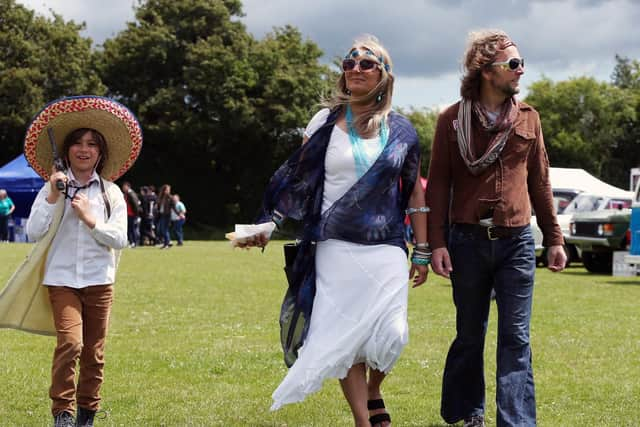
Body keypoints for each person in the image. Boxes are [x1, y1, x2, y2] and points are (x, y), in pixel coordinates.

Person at [248, 34, 429, 427]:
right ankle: (363, 420)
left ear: (383, 74)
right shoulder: (323, 123)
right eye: (349, 63)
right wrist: (269, 222)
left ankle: (375, 387)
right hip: (334, 245)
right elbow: (298, 179)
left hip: (386, 247)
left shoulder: (402, 131)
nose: (355, 69)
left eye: (366, 63)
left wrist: (424, 248)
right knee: (348, 336)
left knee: (392, 335)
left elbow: (414, 188)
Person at [425, 30, 566, 427]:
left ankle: (516, 422)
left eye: (521, 63)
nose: (521, 71)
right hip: (466, 241)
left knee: (516, 338)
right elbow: (438, 184)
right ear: (487, 71)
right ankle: (469, 413)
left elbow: (540, 181)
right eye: (514, 64)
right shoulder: (451, 121)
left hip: (517, 243)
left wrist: (554, 238)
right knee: (470, 335)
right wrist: (437, 243)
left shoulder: (529, 118)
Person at [23, 96, 142, 427]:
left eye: (92, 144)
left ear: (101, 153)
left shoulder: (111, 194)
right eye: (77, 143)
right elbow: (32, 232)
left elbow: (121, 239)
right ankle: (63, 411)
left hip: (99, 281)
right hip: (61, 279)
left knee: (94, 353)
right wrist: (51, 195)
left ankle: (86, 414)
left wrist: (92, 220)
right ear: (67, 151)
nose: (84, 149)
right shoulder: (52, 187)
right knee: (71, 343)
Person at [121, 181, 142, 247]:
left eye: (124, 187)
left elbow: (135, 205)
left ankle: (134, 242)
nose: (123, 188)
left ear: (127, 186)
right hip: (129, 214)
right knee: (130, 229)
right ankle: (132, 242)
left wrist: (136, 215)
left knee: (132, 229)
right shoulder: (128, 193)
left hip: (131, 214)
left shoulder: (131, 194)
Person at [156, 184, 174, 249]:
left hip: (167, 215)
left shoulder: (170, 197)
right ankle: (168, 242)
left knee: (164, 230)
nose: (168, 191)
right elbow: (158, 206)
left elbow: (174, 207)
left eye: (169, 190)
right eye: (167, 190)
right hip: (162, 215)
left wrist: (179, 214)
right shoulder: (161, 197)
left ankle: (167, 243)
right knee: (161, 230)